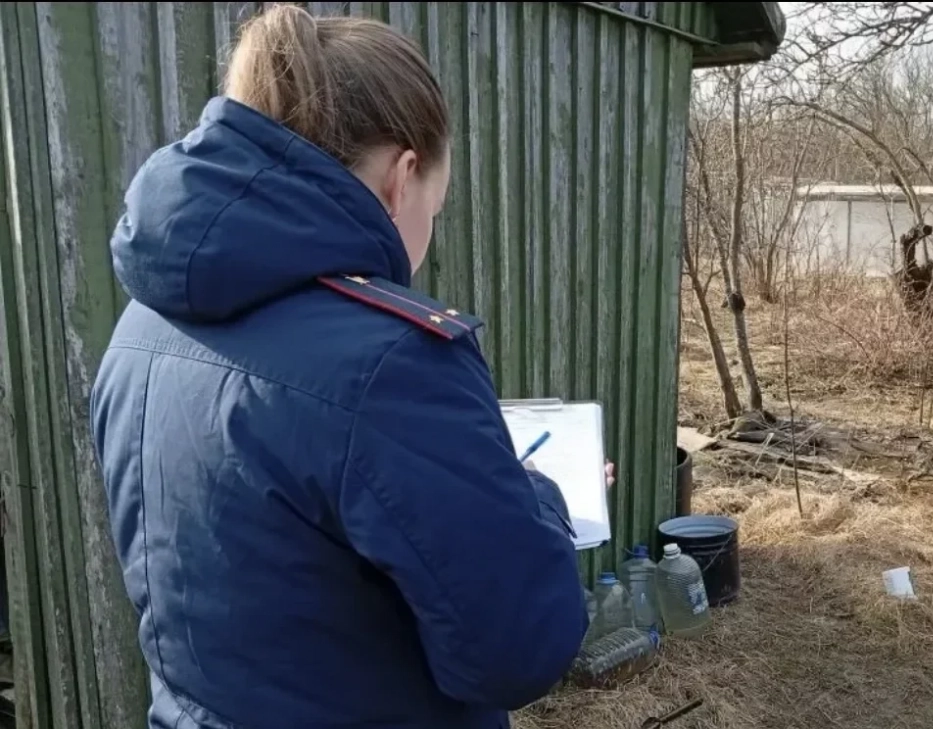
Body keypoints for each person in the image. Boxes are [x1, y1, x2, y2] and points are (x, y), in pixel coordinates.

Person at [89, 6, 599, 728]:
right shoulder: (393, 363)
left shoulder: (144, 322)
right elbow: (520, 647)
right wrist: (536, 498)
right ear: (403, 175)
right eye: (436, 207)